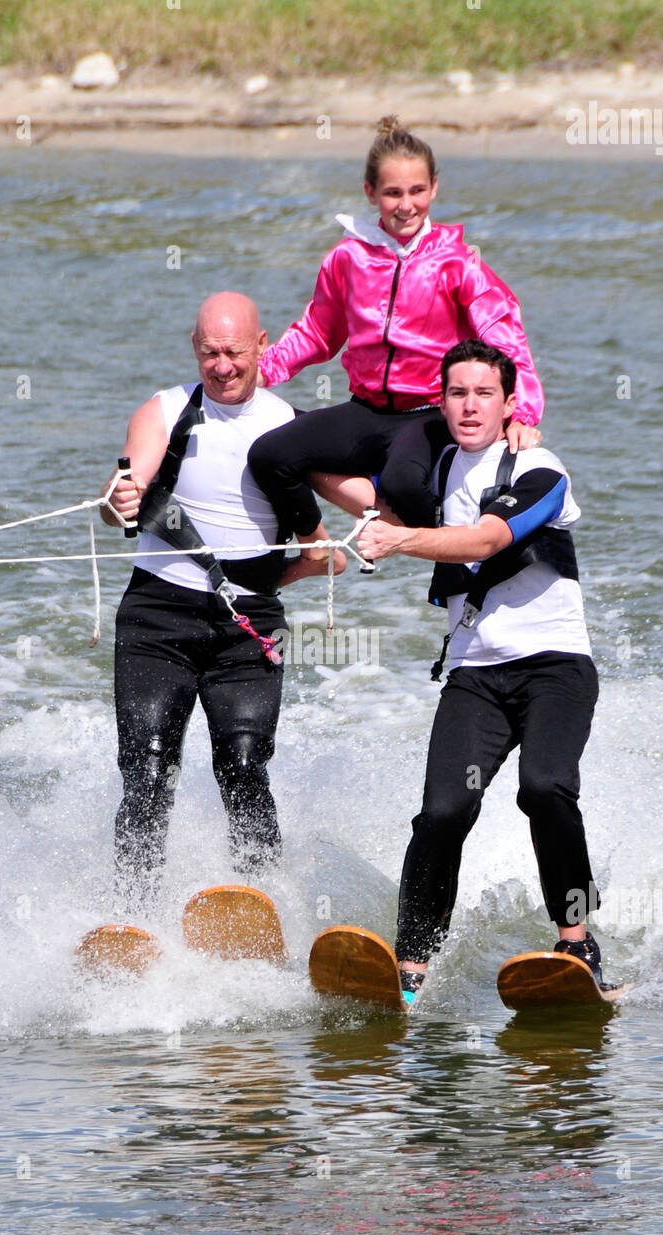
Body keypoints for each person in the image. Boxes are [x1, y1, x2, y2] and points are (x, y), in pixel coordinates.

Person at [357, 338, 614, 1005]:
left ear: (508, 403)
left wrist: (396, 538)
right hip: (475, 676)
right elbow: (338, 471)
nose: (469, 405)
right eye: (456, 393)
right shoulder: (432, 466)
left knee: (544, 789)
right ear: (439, 401)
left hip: (555, 669)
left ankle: (576, 939)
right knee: (442, 814)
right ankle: (410, 969)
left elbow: (485, 541)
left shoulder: (537, 467)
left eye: (483, 393)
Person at [100, 291, 343, 904]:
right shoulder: (163, 410)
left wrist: (266, 583)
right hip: (157, 616)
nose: (223, 365)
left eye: (234, 351)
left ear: (263, 346)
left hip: (249, 625)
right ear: (194, 348)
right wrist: (119, 499)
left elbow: (330, 551)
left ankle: (264, 904)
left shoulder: (289, 428)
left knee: (242, 764)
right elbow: (128, 487)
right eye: (210, 352)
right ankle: (132, 912)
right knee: (148, 771)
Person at [247, 114, 544, 556]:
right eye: (393, 193)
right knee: (269, 455)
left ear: (434, 188)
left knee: (406, 482)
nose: (406, 205)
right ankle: (315, 549)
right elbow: (318, 331)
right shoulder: (347, 258)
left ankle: (453, 556)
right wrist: (260, 370)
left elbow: (503, 335)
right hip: (365, 411)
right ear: (371, 193)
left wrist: (524, 414)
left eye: (417, 191)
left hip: (426, 415)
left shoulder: (457, 262)